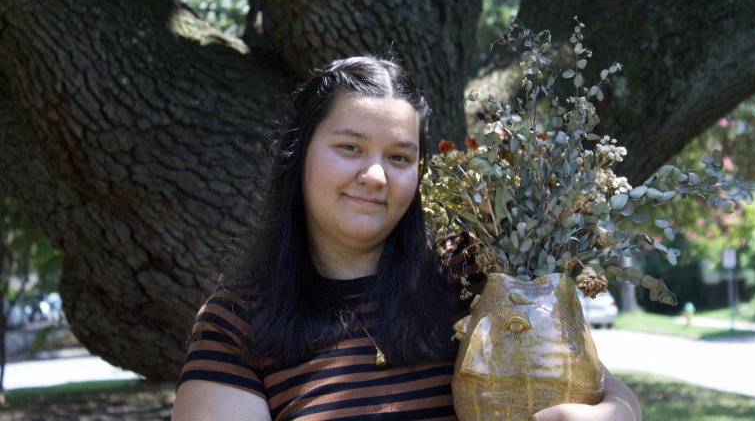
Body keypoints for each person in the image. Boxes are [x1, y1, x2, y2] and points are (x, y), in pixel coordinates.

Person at [172, 55, 642, 421]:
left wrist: (620, 411)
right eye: (350, 147)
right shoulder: (235, 324)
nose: (375, 175)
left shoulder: (475, 273)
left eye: (399, 157)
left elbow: (598, 385)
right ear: (299, 157)